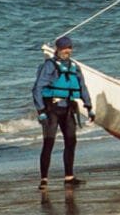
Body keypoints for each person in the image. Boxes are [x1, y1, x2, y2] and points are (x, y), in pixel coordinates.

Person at [33, 36, 95, 187]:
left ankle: (69, 177)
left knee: (71, 141)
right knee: (49, 143)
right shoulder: (49, 66)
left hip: (68, 109)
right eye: (63, 48)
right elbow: (37, 88)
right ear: (57, 49)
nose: (67, 51)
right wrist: (40, 109)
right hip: (51, 109)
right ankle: (44, 179)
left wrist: (89, 106)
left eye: (69, 48)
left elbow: (82, 88)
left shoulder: (74, 67)